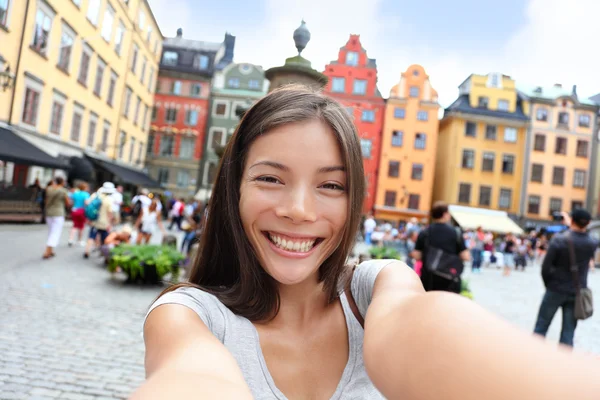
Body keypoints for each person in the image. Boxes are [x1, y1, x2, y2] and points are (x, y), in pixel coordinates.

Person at [135, 86, 600, 400]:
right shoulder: (190, 317)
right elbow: (191, 379)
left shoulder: (376, 290)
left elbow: (424, 333)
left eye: (331, 186)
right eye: (271, 178)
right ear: (234, 189)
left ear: (354, 197)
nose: (299, 209)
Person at [533, 210, 598, 347]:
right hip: (576, 291)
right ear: (589, 223)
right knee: (568, 333)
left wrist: (549, 285)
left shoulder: (559, 239)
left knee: (541, 327)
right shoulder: (591, 243)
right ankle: (564, 364)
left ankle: (533, 356)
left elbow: (545, 268)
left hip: (555, 288)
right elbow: (584, 236)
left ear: (571, 220)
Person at [412, 201, 470, 293]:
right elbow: (465, 256)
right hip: (450, 278)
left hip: (429, 278)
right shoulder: (456, 232)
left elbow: (416, 255)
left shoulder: (425, 232)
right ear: (445, 214)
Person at [84, 182, 115, 259]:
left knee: (91, 236)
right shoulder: (108, 199)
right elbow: (110, 213)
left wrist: (91, 215)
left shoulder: (96, 195)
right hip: (104, 223)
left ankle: (87, 251)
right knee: (104, 239)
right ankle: (103, 254)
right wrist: (110, 223)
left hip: (95, 221)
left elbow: (87, 202)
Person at [43, 177, 71, 259]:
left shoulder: (49, 189)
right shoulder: (63, 190)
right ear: (62, 182)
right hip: (58, 213)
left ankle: (51, 250)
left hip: (49, 212)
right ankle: (47, 251)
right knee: (55, 232)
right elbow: (67, 203)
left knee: (51, 231)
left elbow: (46, 200)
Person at [68, 182, 90, 247]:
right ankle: (79, 240)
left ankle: (70, 239)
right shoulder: (86, 194)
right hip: (81, 211)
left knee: (74, 225)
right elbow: (86, 203)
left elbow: (70, 202)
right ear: (84, 188)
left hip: (74, 210)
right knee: (81, 226)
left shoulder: (75, 193)